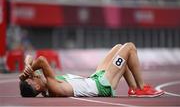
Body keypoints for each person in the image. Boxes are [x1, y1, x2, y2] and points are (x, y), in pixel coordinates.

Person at [19, 42, 164, 97]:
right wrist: (30, 70)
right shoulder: (51, 86)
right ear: (36, 86)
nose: (35, 75)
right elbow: (42, 61)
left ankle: (133, 88)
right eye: (33, 78)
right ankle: (141, 88)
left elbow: (30, 57)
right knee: (129, 48)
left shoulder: (44, 84)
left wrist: (27, 66)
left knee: (119, 48)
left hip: (95, 78)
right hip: (103, 85)